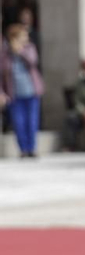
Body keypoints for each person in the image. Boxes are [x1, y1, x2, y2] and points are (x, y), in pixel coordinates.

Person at [0, 23, 44, 158]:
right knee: (19, 122)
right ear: (14, 37)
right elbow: (1, 74)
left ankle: (32, 148)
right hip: (14, 93)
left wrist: (20, 51)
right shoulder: (5, 52)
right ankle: (23, 149)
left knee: (32, 121)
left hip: (31, 92)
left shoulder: (30, 48)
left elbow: (33, 61)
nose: (26, 38)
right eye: (23, 35)